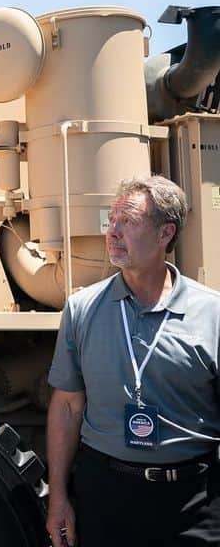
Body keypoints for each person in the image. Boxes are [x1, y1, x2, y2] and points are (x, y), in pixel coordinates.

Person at [47, 176, 220, 547]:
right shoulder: (81, 309)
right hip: (108, 497)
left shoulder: (212, 313)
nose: (113, 232)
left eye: (128, 221)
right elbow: (66, 406)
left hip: (196, 500)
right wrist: (58, 498)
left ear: (164, 233)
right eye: (111, 220)